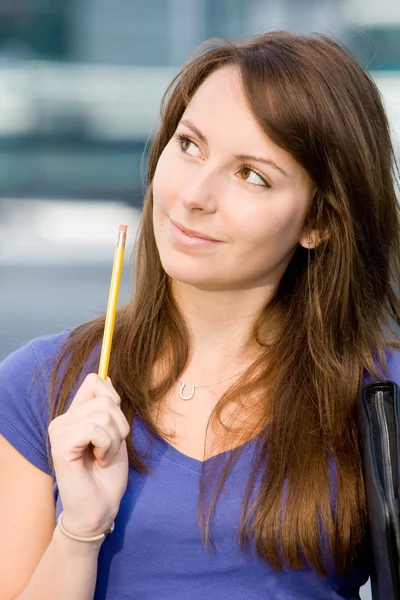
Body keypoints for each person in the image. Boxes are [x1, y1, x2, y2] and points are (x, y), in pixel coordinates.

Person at [1, 30, 399, 600]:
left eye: (252, 175)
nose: (194, 194)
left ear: (320, 223)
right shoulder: (39, 384)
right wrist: (79, 532)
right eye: (189, 144)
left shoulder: (380, 397)